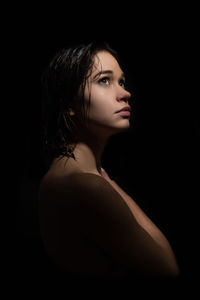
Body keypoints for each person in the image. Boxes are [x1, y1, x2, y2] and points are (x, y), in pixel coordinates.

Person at [39, 41, 180, 281]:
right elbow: (168, 269)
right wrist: (113, 187)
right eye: (104, 80)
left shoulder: (61, 175)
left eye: (122, 81)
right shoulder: (88, 187)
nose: (125, 93)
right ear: (68, 103)